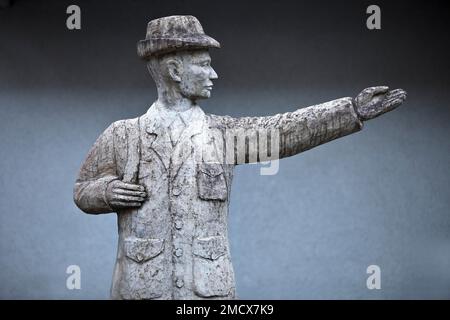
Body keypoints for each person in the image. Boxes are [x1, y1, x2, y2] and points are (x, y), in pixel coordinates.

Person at [74, 15, 406, 299]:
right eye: (204, 65)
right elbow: (82, 189)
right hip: (141, 287)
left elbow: (281, 134)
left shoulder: (224, 136)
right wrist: (106, 192)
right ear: (175, 70)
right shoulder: (123, 135)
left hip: (207, 290)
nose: (213, 74)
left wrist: (350, 110)